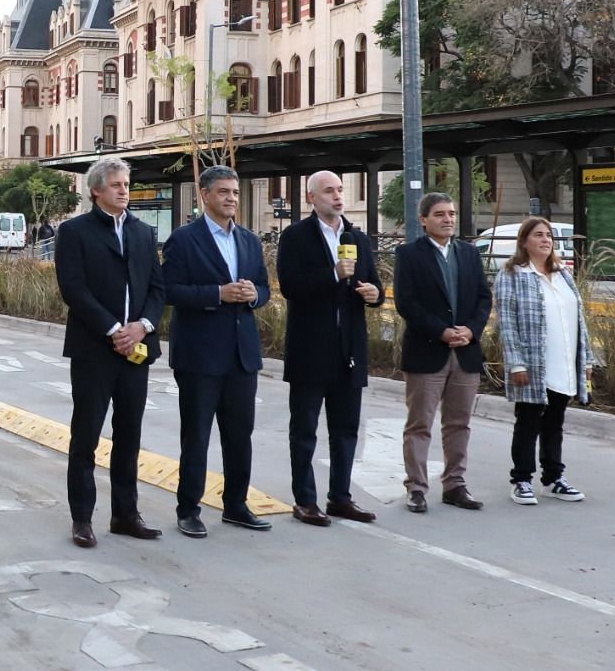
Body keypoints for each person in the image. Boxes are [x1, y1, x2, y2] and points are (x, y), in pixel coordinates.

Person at [54, 156, 167, 548]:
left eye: (126, 184)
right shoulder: (74, 232)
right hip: (94, 350)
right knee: (85, 436)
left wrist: (142, 326)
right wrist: (113, 329)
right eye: (116, 184)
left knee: (129, 435)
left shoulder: (143, 232)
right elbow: (73, 288)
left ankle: (125, 515)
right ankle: (82, 519)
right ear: (96, 190)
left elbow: (157, 288)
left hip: (137, 349)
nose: (124, 190)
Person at [161, 166, 271, 538]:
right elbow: (169, 290)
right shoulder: (183, 239)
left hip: (242, 354)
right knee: (197, 436)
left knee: (240, 435)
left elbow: (264, 287)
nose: (231, 198)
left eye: (235, 192)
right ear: (204, 195)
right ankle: (188, 509)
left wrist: (254, 295)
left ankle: (236, 506)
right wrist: (216, 294)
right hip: (200, 355)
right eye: (223, 192)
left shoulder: (249, 240)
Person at [276, 170, 383, 527]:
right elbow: (290, 286)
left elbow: (375, 285)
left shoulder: (357, 238)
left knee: (346, 430)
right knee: (305, 431)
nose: (337, 197)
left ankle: (340, 497)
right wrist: (333, 274)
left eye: (339, 190)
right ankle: (305, 501)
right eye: (328, 191)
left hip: (349, 351)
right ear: (311, 198)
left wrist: (374, 295)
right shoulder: (295, 236)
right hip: (310, 351)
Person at [394, 192, 492, 514]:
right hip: (427, 351)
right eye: (439, 214)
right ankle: (416, 488)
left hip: (465, 352)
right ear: (423, 220)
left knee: (459, 423)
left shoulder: (469, 253)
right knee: (420, 424)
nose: (448, 219)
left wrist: (471, 331)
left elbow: (483, 298)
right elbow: (406, 302)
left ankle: (455, 485)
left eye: (451, 213)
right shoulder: (409, 254)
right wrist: (441, 331)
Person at [496, 217, 591, 505]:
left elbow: (579, 319)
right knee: (528, 420)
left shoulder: (563, 275)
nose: (546, 240)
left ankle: (553, 478)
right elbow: (506, 322)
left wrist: (586, 359)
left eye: (548, 235)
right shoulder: (512, 274)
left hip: (563, 361)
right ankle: (522, 480)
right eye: (538, 235)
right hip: (533, 362)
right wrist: (516, 363)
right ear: (524, 241)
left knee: (554, 422)